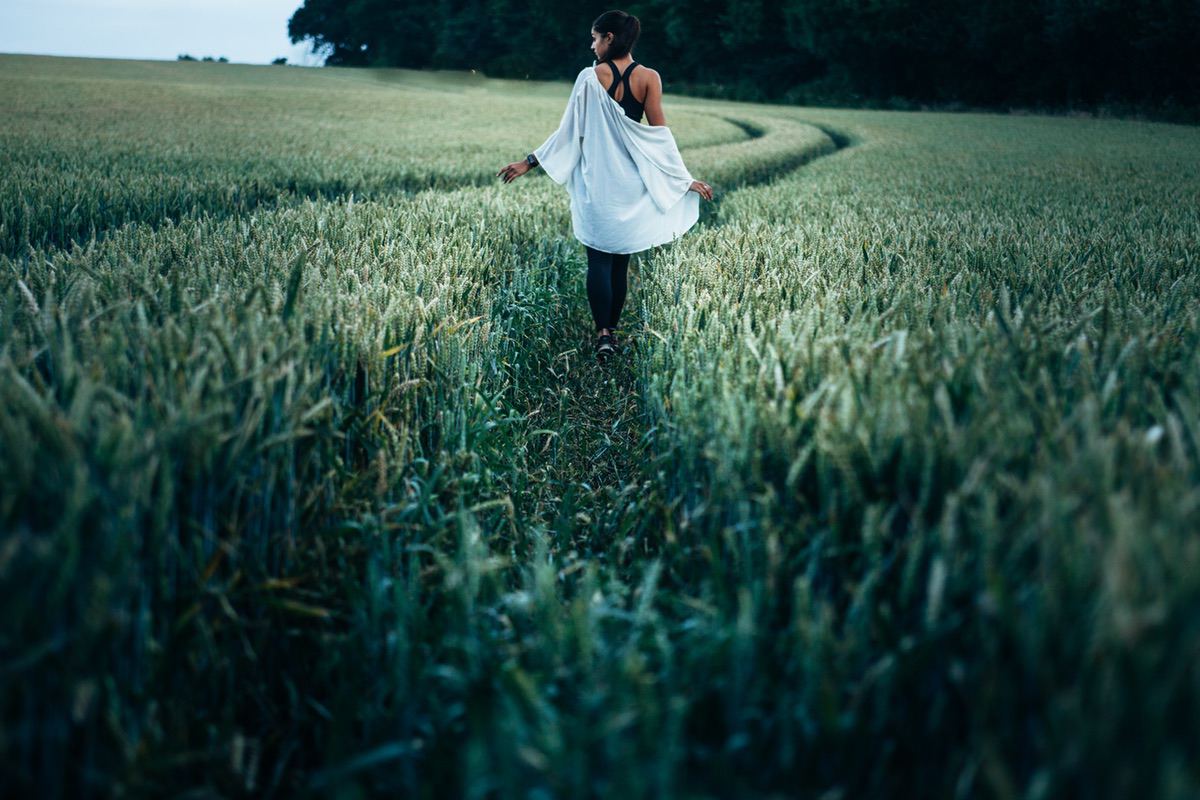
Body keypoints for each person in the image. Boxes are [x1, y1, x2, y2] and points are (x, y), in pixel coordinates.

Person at [497, 10, 713, 360]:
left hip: (597, 183)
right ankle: (612, 334)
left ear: (610, 37)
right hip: (631, 184)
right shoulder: (649, 78)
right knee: (620, 261)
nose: (592, 44)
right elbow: (659, 137)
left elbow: (569, 132)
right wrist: (682, 180)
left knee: (598, 258)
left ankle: (603, 335)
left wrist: (529, 162)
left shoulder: (588, 77)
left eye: (595, 37)